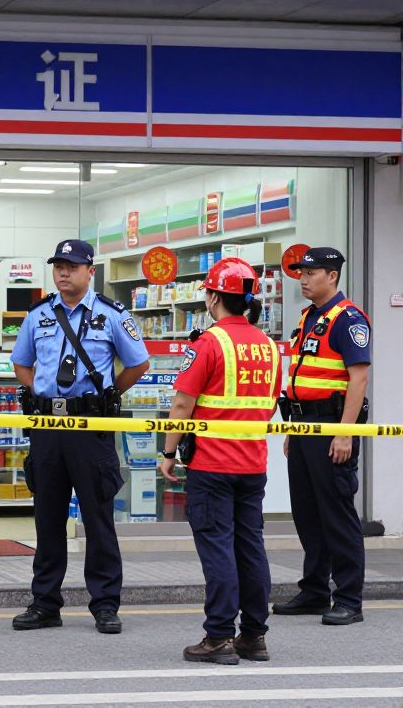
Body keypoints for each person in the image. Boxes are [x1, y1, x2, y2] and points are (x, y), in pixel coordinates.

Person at [10, 239, 149, 635]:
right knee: (47, 517)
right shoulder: (38, 315)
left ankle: (105, 604)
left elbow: (138, 363)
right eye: (58, 266)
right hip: (48, 429)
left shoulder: (111, 315)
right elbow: (21, 363)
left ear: (90, 270)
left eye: (71, 266)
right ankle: (45, 603)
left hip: (92, 428)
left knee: (98, 517)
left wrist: (107, 397)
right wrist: (40, 393)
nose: (63, 273)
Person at [160, 258, 281, 665]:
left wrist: (168, 452)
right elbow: (269, 403)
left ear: (213, 297)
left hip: (212, 466)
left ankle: (218, 637)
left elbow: (182, 404)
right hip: (253, 464)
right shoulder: (268, 346)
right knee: (251, 548)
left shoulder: (209, 343)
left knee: (218, 549)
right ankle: (254, 636)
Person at [273, 247, 369, 625]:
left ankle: (349, 597)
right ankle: (314, 591)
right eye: (301, 272)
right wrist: (292, 431)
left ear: (332, 276)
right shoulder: (309, 318)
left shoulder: (348, 319)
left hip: (332, 427)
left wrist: (345, 433)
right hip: (303, 428)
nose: (303, 278)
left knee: (337, 514)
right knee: (307, 513)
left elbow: (358, 377)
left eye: (311, 273)